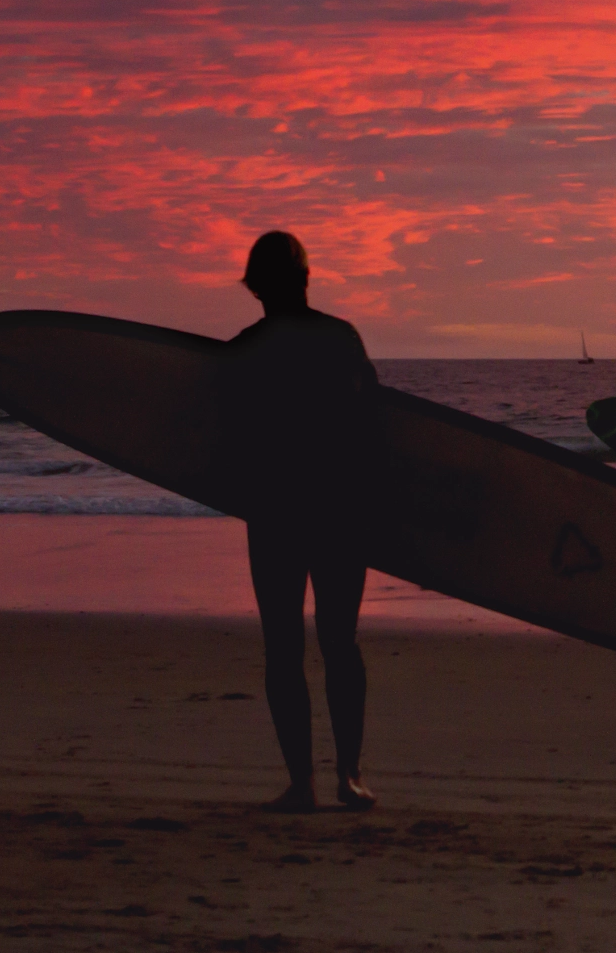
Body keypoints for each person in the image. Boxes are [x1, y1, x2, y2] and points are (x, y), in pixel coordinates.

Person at [225, 230, 381, 813]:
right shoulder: (341, 338)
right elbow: (373, 427)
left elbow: (224, 437)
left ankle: (303, 784)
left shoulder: (244, 349)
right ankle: (349, 776)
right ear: (306, 278)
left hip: (277, 514)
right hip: (339, 512)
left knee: (284, 648)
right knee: (340, 643)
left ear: (258, 285)